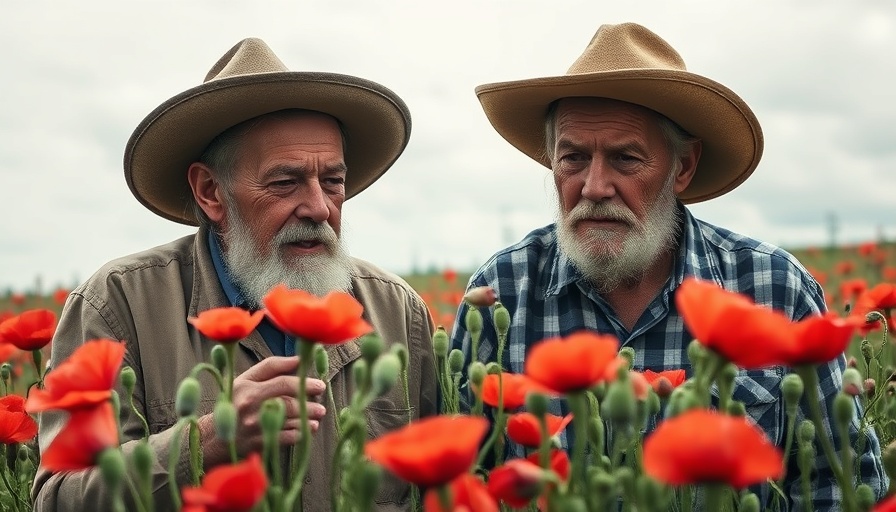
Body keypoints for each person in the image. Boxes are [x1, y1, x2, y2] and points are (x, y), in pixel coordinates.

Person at [449, 22, 886, 509]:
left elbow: (837, 488)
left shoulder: (773, 290)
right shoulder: (502, 292)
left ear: (683, 167)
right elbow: (468, 487)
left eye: (625, 159)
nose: (594, 187)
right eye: (572, 157)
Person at [32, 38, 438, 511]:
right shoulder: (120, 306)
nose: (319, 207)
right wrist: (206, 440)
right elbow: (59, 500)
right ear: (210, 192)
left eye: (333, 181)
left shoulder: (397, 312)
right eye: (285, 182)